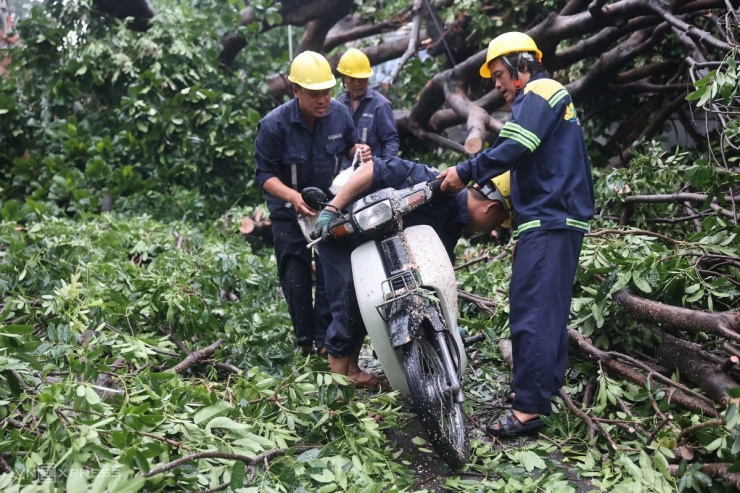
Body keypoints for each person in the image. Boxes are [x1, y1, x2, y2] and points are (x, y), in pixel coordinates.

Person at [438, 32, 595, 437]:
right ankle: (542, 390)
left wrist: (465, 172)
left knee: (532, 311)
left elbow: (513, 148)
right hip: (551, 219)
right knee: (548, 308)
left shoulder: (540, 92)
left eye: (500, 75)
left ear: (522, 65)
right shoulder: (544, 97)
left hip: (551, 218)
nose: (498, 86)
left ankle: (528, 409)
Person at [314, 156, 512, 387]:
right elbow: (372, 168)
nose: (492, 230)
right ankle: (339, 402)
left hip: (376, 249)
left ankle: (353, 371)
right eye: (498, 223)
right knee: (350, 305)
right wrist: (331, 208)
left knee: (371, 304)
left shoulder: (452, 227)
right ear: (492, 209)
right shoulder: (429, 181)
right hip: (341, 233)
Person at [254, 50, 372, 356]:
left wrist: (358, 152)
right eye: (314, 94)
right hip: (288, 210)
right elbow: (264, 175)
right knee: (295, 270)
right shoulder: (273, 125)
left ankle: (325, 340)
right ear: (295, 91)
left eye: (327, 92)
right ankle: (304, 341)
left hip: (328, 206)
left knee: (332, 271)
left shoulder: (339, 114)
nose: (323, 100)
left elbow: (348, 148)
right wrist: (292, 198)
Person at [336, 48, 400, 160]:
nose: (357, 83)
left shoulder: (381, 105)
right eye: (352, 79)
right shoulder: (338, 106)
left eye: (362, 79)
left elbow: (391, 142)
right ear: (344, 78)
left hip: (372, 172)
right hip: (345, 173)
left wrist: (383, 169)